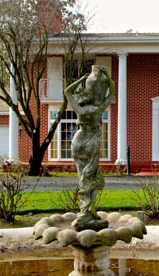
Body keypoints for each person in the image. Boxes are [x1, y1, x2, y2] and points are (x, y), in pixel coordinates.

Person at [64, 65, 115, 231]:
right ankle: (87, 210)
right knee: (91, 175)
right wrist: (107, 77)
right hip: (91, 139)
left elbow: (67, 92)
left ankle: (85, 211)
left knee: (82, 175)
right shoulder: (97, 109)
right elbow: (111, 94)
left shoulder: (79, 109)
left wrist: (79, 80)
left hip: (77, 139)